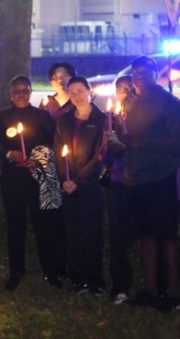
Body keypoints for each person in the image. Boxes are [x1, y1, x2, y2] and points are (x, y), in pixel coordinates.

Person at [0, 75, 63, 291]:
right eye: (17, 91)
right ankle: (16, 270)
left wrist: (38, 159)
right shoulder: (3, 117)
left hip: (39, 176)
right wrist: (9, 153)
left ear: (30, 93)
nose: (21, 94)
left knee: (44, 224)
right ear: (11, 94)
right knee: (15, 224)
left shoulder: (42, 116)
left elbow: (53, 143)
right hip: (13, 177)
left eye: (25, 90)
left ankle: (50, 270)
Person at [118, 56, 180, 309]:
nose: (138, 76)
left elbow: (176, 142)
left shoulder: (169, 103)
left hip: (160, 178)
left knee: (166, 236)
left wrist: (142, 142)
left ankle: (174, 294)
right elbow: (126, 138)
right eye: (135, 72)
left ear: (156, 73)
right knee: (145, 236)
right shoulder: (130, 103)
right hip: (135, 178)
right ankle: (152, 291)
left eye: (144, 71)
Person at [54, 75, 107, 295]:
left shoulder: (102, 119)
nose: (76, 96)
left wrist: (78, 180)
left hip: (91, 185)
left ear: (89, 91)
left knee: (91, 232)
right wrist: (64, 179)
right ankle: (78, 278)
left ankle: (95, 279)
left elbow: (100, 154)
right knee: (73, 232)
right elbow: (59, 152)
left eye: (80, 91)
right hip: (69, 185)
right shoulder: (64, 120)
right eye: (72, 92)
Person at [102, 75, 134, 304]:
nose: (126, 92)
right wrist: (111, 147)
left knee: (150, 234)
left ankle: (158, 284)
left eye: (130, 88)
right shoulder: (111, 121)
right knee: (118, 235)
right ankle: (120, 285)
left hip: (143, 181)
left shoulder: (146, 117)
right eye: (121, 89)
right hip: (118, 181)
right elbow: (104, 156)